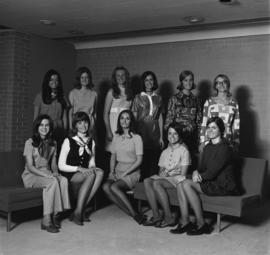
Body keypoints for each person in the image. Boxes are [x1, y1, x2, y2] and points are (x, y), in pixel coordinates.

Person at [171, 117, 239, 235]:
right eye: (209, 127)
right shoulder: (207, 147)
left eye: (214, 127)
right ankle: (185, 222)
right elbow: (201, 168)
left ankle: (202, 224)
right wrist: (195, 172)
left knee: (186, 183)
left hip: (222, 184)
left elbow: (211, 173)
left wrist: (196, 177)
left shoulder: (225, 148)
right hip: (210, 181)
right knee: (181, 183)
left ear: (220, 130)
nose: (210, 130)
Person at [21, 114, 70, 233]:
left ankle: (56, 214)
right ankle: (46, 219)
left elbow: (53, 164)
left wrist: (56, 173)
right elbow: (30, 167)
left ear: (50, 127)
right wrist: (47, 175)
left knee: (63, 180)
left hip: (46, 172)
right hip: (31, 175)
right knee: (52, 182)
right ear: (37, 127)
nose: (44, 128)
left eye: (47, 125)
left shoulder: (53, 143)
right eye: (41, 125)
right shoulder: (30, 142)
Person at [58, 111, 104, 225]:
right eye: (79, 123)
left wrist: (93, 167)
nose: (83, 126)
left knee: (100, 173)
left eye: (85, 122)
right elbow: (61, 165)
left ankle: (78, 210)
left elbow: (91, 160)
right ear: (75, 125)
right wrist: (78, 169)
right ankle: (79, 212)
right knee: (92, 175)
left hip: (83, 172)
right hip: (70, 173)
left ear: (89, 123)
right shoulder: (68, 141)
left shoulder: (91, 141)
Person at [143, 122, 191, 228]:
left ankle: (169, 217)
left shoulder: (184, 151)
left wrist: (171, 174)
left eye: (175, 134)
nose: (172, 136)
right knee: (147, 181)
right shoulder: (164, 152)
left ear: (179, 135)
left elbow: (183, 175)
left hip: (177, 179)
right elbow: (160, 172)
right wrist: (163, 173)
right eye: (170, 133)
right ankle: (156, 216)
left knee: (156, 183)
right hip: (165, 178)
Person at [102, 110, 144, 224]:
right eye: (122, 118)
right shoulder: (116, 136)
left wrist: (126, 173)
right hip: (118, 170)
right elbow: (113, 156)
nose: (124, 121)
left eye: (127, 118)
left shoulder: (137, 138)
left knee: (114, 187)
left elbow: (139, 161)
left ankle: (135, 214)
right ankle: (131, 213)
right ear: (119, 120)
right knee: (106, 187)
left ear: (131, 121)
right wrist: (111, 172)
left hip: (132, 172)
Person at [164, 70, 202, 169]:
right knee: (176, 166)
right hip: (178, 136)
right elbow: (169, 119)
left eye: (190, 80)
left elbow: (199, 121)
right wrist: (169, 139)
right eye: (185, 80)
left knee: (190, 165)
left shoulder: (196, 100)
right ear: (181, 82)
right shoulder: (174, 99)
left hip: (192, 137)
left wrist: (199, 140)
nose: (188, 83)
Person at [132, 71, 164, 179]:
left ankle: (153, 187)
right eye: (146, 80)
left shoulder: (158, 98)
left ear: (154, 81)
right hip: (142, 132)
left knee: (155, 162)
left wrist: (161, 137)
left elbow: (160, 117)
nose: (149, 82)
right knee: (143, 162)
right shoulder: (138, 97)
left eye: (151, 79)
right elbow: (134, 118)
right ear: (143, 82)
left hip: (155, 132)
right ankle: (141, 189)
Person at [200, 74, 240, 152]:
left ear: (228, 84)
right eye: (218, 82)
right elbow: (204, 123)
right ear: (215, 86)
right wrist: (202, 141)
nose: (221, 84)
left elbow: (236, 125)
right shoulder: (209, 102)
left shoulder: (234, 103)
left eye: (224, 82)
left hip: (228, 140)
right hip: (211, 138)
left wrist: (236, 141)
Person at [33, 69, 69, 152]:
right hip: (44, 130)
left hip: (58, 130)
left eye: (56, 80)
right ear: (47, 81)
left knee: (58, 154)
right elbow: (35, 118)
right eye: (51, 80)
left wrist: (65, 132)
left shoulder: (62, 96)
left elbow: (64, 117)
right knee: (45, 155)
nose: (54, 82)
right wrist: (36, 133)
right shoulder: (40, 96)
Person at [103, 66, 133, 154]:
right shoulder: (111, 92)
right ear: (114, 78)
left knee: (125, 152)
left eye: (123, 75)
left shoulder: (130, 92)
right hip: (113, 126)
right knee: (113, 153)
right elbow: (105, 113)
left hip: (126, 126)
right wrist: (108, 131)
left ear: (126, 77)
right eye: (118, 75)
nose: (120, 77)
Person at [69, 67, 97, 136]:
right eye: (82, 77)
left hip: (90, 126)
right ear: (78, 79)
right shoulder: (73, 93)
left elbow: (95, 113)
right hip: (77, 126)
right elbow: (70, 113)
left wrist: (93, 127)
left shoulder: (94, 94)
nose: (84, 80)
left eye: (86, 77)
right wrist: (71, 127)